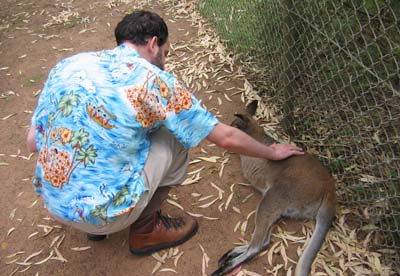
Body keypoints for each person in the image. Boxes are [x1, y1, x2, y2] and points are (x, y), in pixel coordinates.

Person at [26, 10, 304, 255]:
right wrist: (272, 151)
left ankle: (97, 228)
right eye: (166, 53)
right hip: (104, 213)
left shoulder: (69, 66)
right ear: (153, 43)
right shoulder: (154, 80)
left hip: (55, 204)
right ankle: (145, 229)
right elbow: (225, 138)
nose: (165, 62)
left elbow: (32, 142)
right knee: (177, 136)